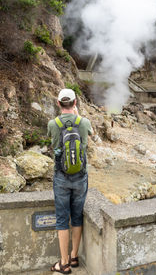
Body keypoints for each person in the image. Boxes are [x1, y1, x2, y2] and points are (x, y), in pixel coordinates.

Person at [48, 88, 93, 274]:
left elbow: (52, 144)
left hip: (61, 177)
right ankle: (74, 256)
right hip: (81, 176)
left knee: (61, 220)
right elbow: (88, 135)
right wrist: (77, 115)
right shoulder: (84, 122)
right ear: (75, 103)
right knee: (76, 217)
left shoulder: (53, 123)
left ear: (58, 104)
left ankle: (64, 263)